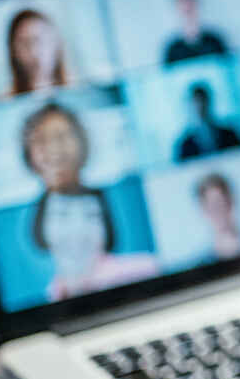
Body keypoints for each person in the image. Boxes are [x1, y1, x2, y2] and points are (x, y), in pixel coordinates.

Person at [21, 102, 157, 301]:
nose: (54, 149)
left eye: (62, 137)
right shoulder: (53, 294)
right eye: (42, 140)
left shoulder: (144, 269)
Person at [173, 82, 240, 162]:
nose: (200, 107)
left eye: (203, 101)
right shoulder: (185, 145)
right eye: (196, 103)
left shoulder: (230, 134)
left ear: (209, 102)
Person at [6, 8, 68, 95]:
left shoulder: (79, 90)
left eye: (40, 40)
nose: (34, 52)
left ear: (55, 43)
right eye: (25, 43)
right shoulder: (5, 101)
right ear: (14, 52)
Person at [162, 0, 228, 65]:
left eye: (190, 3)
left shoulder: (215, 41)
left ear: (197, 4)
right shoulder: (172, 50)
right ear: (177, 9)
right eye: (182, 4)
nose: (187, 6)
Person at [194, 173, 240, 261]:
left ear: (232, 201)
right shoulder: (200, 263)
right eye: (213, 206)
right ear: (204, 211)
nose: (220, 211)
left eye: (223, 203)